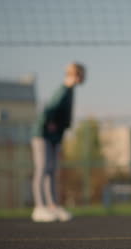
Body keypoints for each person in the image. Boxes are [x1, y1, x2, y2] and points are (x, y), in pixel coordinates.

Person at [30, 62, 86, 222]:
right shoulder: (62, 90)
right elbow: (48, 110)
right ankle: (39, 207)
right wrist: (50, 124)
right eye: (81, 74)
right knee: (42, 169)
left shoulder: (69, 90)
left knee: (52, 170)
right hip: (42, 135)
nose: (83, 78)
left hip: (54, 137)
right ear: (75, 74)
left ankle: (52, 206)